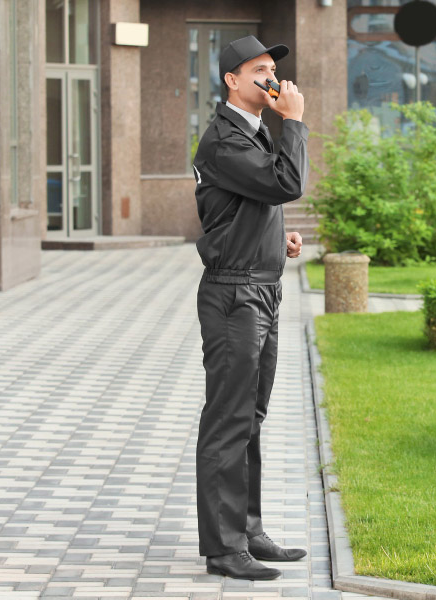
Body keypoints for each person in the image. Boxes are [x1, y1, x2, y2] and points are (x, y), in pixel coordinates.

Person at [191, 35, 309, 581]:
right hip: (235, 296)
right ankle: (223, 549)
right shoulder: (224, 140)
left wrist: (275, 241)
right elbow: (286, 183)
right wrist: (296, 123)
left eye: (274, 70)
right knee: (229, 419)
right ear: (231, 81)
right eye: (259, 70)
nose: (273, 79)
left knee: (251, 418)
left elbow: (252, 205)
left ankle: (249, 532)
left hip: (261, 285)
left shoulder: (253, 135)